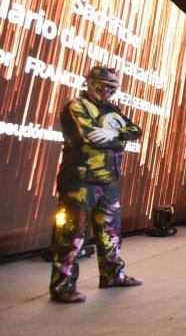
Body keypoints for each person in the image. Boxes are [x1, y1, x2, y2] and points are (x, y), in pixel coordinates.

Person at [49, 66, 142, 303]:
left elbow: (135, 130)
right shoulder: (75, 106)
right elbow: (88, 135)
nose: (110, 92)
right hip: (80, 180)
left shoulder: (112, 110)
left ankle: (112, 275)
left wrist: (113, 134)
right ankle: (62, 287)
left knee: (111, 231)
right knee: (72, 234)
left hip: (107, 180)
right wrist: (116, 138)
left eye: (114, 88)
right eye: (106, 86)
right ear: (91, 83)